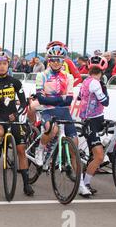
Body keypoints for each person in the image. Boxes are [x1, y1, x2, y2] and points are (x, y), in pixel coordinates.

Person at [0, 51, 34, 196]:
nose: (2, 67)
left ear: (8, 65)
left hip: (12, 118)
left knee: (21, 149)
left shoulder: (15, 82)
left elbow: (23, 102)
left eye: (4, 64)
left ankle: (26, 183)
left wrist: (15, 114)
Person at [32, 43, 85, 195]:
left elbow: (69, 100)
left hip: (64, 111)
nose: (56, 62)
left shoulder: (68, 77)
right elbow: (41, 99)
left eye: (59, 60)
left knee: (74, 146)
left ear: (63, 61)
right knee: (53, 129)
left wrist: (52, 99)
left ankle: (80, 183)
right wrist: (57, 99)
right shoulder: (42, 75)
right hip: (48, 111)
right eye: (53, 59)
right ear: (49, 60)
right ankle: (40, 149)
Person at [77, 56, 110, 197]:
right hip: (90, 121)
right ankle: (85, 183)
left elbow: (79, 97)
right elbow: (106, 102)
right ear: (103, 71)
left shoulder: (86, 81)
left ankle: (111, 150)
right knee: (99, 156)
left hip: (97, 119)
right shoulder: (96, 83)